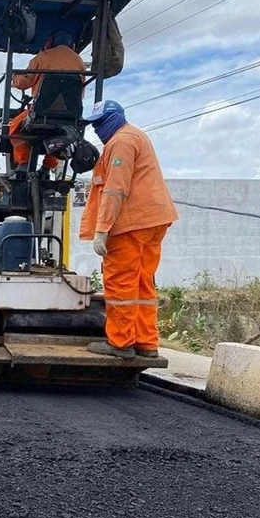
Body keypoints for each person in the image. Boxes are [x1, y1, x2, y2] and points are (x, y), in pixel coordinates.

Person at [79, 100, 179, 359]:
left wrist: (102, 230)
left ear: (116, 118)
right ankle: (146, 343)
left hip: (131, 224)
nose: (98, 129)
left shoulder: (121, 142)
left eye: (101, 123)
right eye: (95, 125)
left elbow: (115, 189)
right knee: (143, 283)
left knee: (121, 283)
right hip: (153, 220)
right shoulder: (136, 136)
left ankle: (120, 343)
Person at [9, 30, 86, 172]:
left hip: (41, 112)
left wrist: (14, 80)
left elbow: (25, 81)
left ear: (50, 43)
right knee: (59, 135)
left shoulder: (42, 57)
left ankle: (23, 164)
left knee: (14, 126)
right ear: (72, 46)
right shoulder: (79, 61)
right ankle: (47, 168)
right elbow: (80, 94)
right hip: (70, 115)